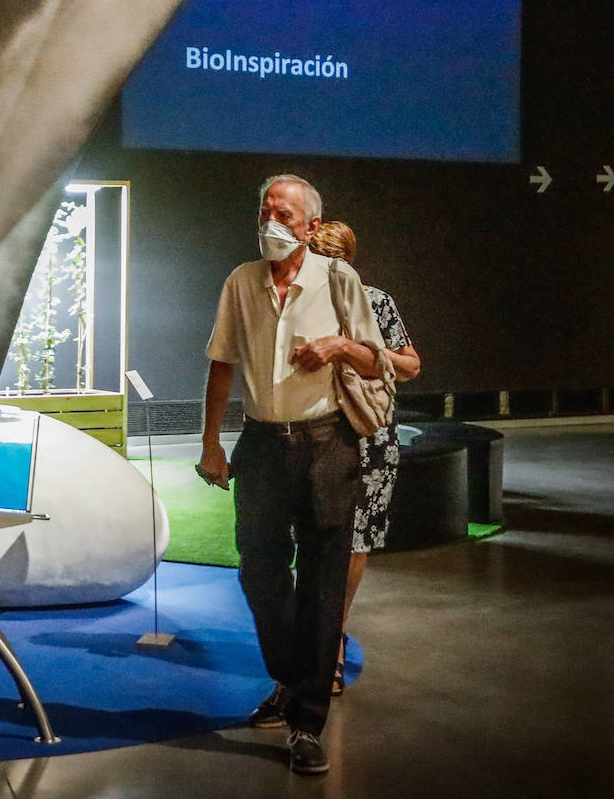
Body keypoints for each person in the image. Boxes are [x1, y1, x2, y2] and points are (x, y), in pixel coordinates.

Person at [196, 174, 385, 776]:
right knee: (259, 571)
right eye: (264, 209)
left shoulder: (339, 280)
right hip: (261, 445)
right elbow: (222, 364)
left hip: (328, 442)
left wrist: (335, 346)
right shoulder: (241, 282)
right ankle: (290, 674)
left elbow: (378, 357)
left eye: (284, 212)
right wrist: (210, 445)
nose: (271, 220)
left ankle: (306, 722)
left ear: (310, 226)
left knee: (325, 581)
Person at [308, 220, 421, 695]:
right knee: (315, 539)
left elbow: (412, 363)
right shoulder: (293, 303)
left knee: (354, 541)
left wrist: (358, 355)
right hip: (309, 434)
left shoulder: (374, 301)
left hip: (366, 434)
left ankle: (331, 640)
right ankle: (318, 636)